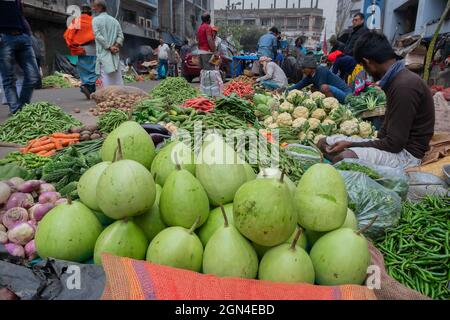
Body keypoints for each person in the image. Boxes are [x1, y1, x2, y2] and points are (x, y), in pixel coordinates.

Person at [317, 32, 435, 170]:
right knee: (323, 142)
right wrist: (352, 143)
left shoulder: (404, 85)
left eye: (363, 66)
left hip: (407, 155)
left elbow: (394, 144)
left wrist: (350, 144)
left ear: (368, 62)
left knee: (344, 158)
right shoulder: (395, 80)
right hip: (390, 145)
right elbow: (383, 135)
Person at [0, 0, 40, 114]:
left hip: (22, 37)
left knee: (33, 76)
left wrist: (28, 34)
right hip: (4, 38)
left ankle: (22, 107)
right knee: (8, 79)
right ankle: (17, 112)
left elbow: (21, 15)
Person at [64, 3, 97, 98]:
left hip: (81, 49)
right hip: (93, 48)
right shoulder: (93, 20)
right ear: (90, 12)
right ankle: (87, 87)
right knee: (93, 69)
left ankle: (89, 89)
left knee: (84, 69)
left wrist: (74, 47)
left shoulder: (77, 20)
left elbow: (68, 36)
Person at [287, 56, 352, 103]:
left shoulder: (321, 70)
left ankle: (335, 106)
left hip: (346, 94)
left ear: (311, 67)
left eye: (304, 68)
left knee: (323, 88)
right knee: (313, 88)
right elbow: (298, 85)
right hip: (335, 93)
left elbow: (322, 88)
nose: (302, 71)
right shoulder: (309, 76)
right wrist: (285, 90)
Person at [92, 0, 124, 86]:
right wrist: (116, 46)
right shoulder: (115, 21)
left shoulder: (95, 20)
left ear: (100, 7)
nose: (93, 8)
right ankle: (118, 97)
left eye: (95, 6)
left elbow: (98, 36)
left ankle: (108, 97)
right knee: (117, 79)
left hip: (104, 53)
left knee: (106, 78)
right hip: (115, 55)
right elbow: (121, 36)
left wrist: (110, 47)